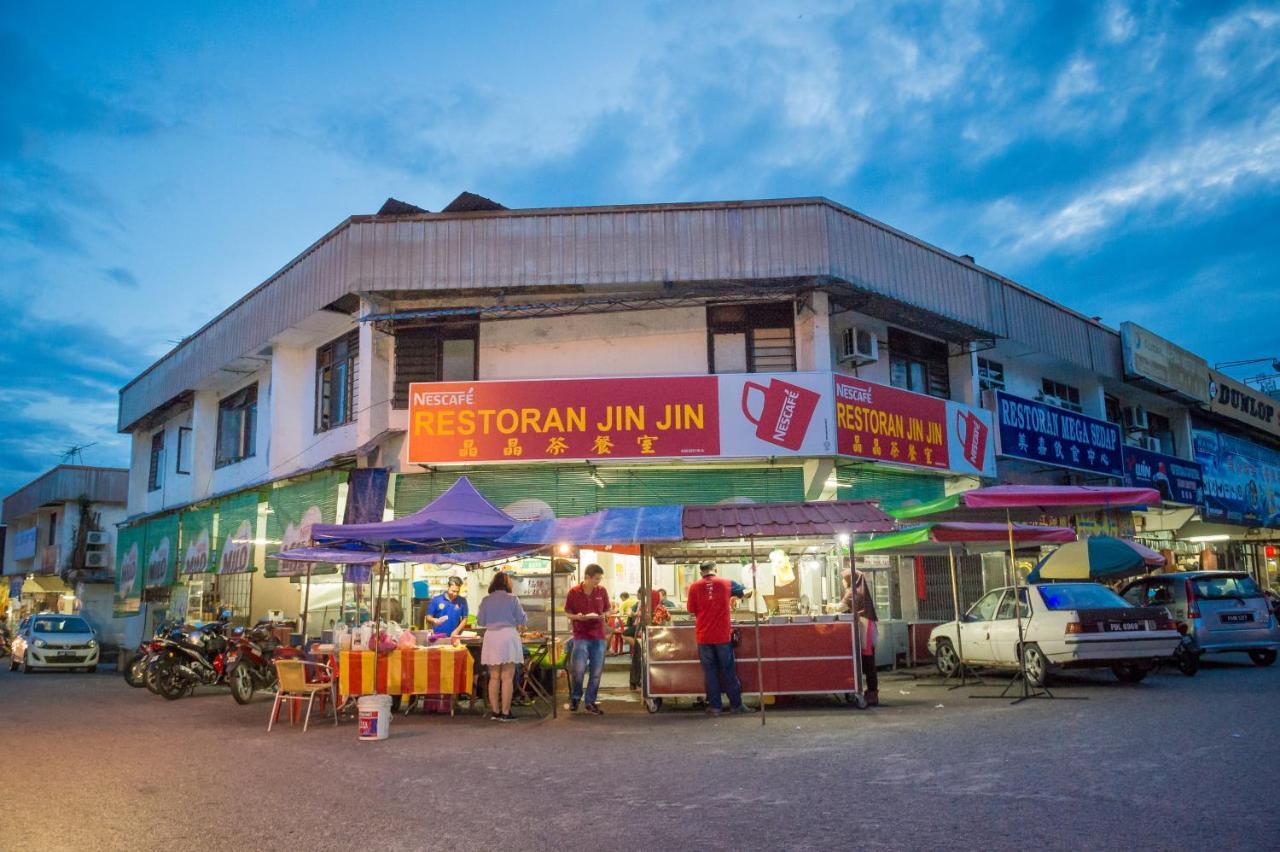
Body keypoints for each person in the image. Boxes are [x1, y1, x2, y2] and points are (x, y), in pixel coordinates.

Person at [685, 562, 754, 716]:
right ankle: (736, 705)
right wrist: (748, 588)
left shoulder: (694, 587)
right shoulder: (727, 583)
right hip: (722, 636)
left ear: (701, 572)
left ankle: (715, 707)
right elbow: (747, 593)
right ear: (715, 570)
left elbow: (691, 610)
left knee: (710, 672)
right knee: (728, 671)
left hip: (703, 636)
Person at [476, 571, 526, 722]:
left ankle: (495, 711)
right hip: (508, 636)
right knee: (507, 677)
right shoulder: (513, 599)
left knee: (494, 677)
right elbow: (522, 619)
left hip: (491, 636)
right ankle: (505, 712)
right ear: (507, 584)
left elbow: (480, 621)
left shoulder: (486, 600)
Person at [564, 563, 611, 715]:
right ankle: (576, 698)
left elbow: (607, 609)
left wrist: (605, 615)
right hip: (580, 634)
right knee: (578, 670)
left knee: (596, 671)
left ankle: (590, 702)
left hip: (598, 635)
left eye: (599, 579)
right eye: (596, 579)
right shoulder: (573, 592)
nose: (598, 582)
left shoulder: (602, 591)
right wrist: (577, 617)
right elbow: (567, 612)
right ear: (587, 577)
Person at [841, 567, 879, 707]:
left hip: (865, 629)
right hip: (866, 626)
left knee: (868, 661)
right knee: (866, 661)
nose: (843, 582)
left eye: (844, 579)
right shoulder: (857, 590)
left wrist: (831, 606)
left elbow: (842, 607)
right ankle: (869, 691)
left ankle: (872, 693)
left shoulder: (853, 591)